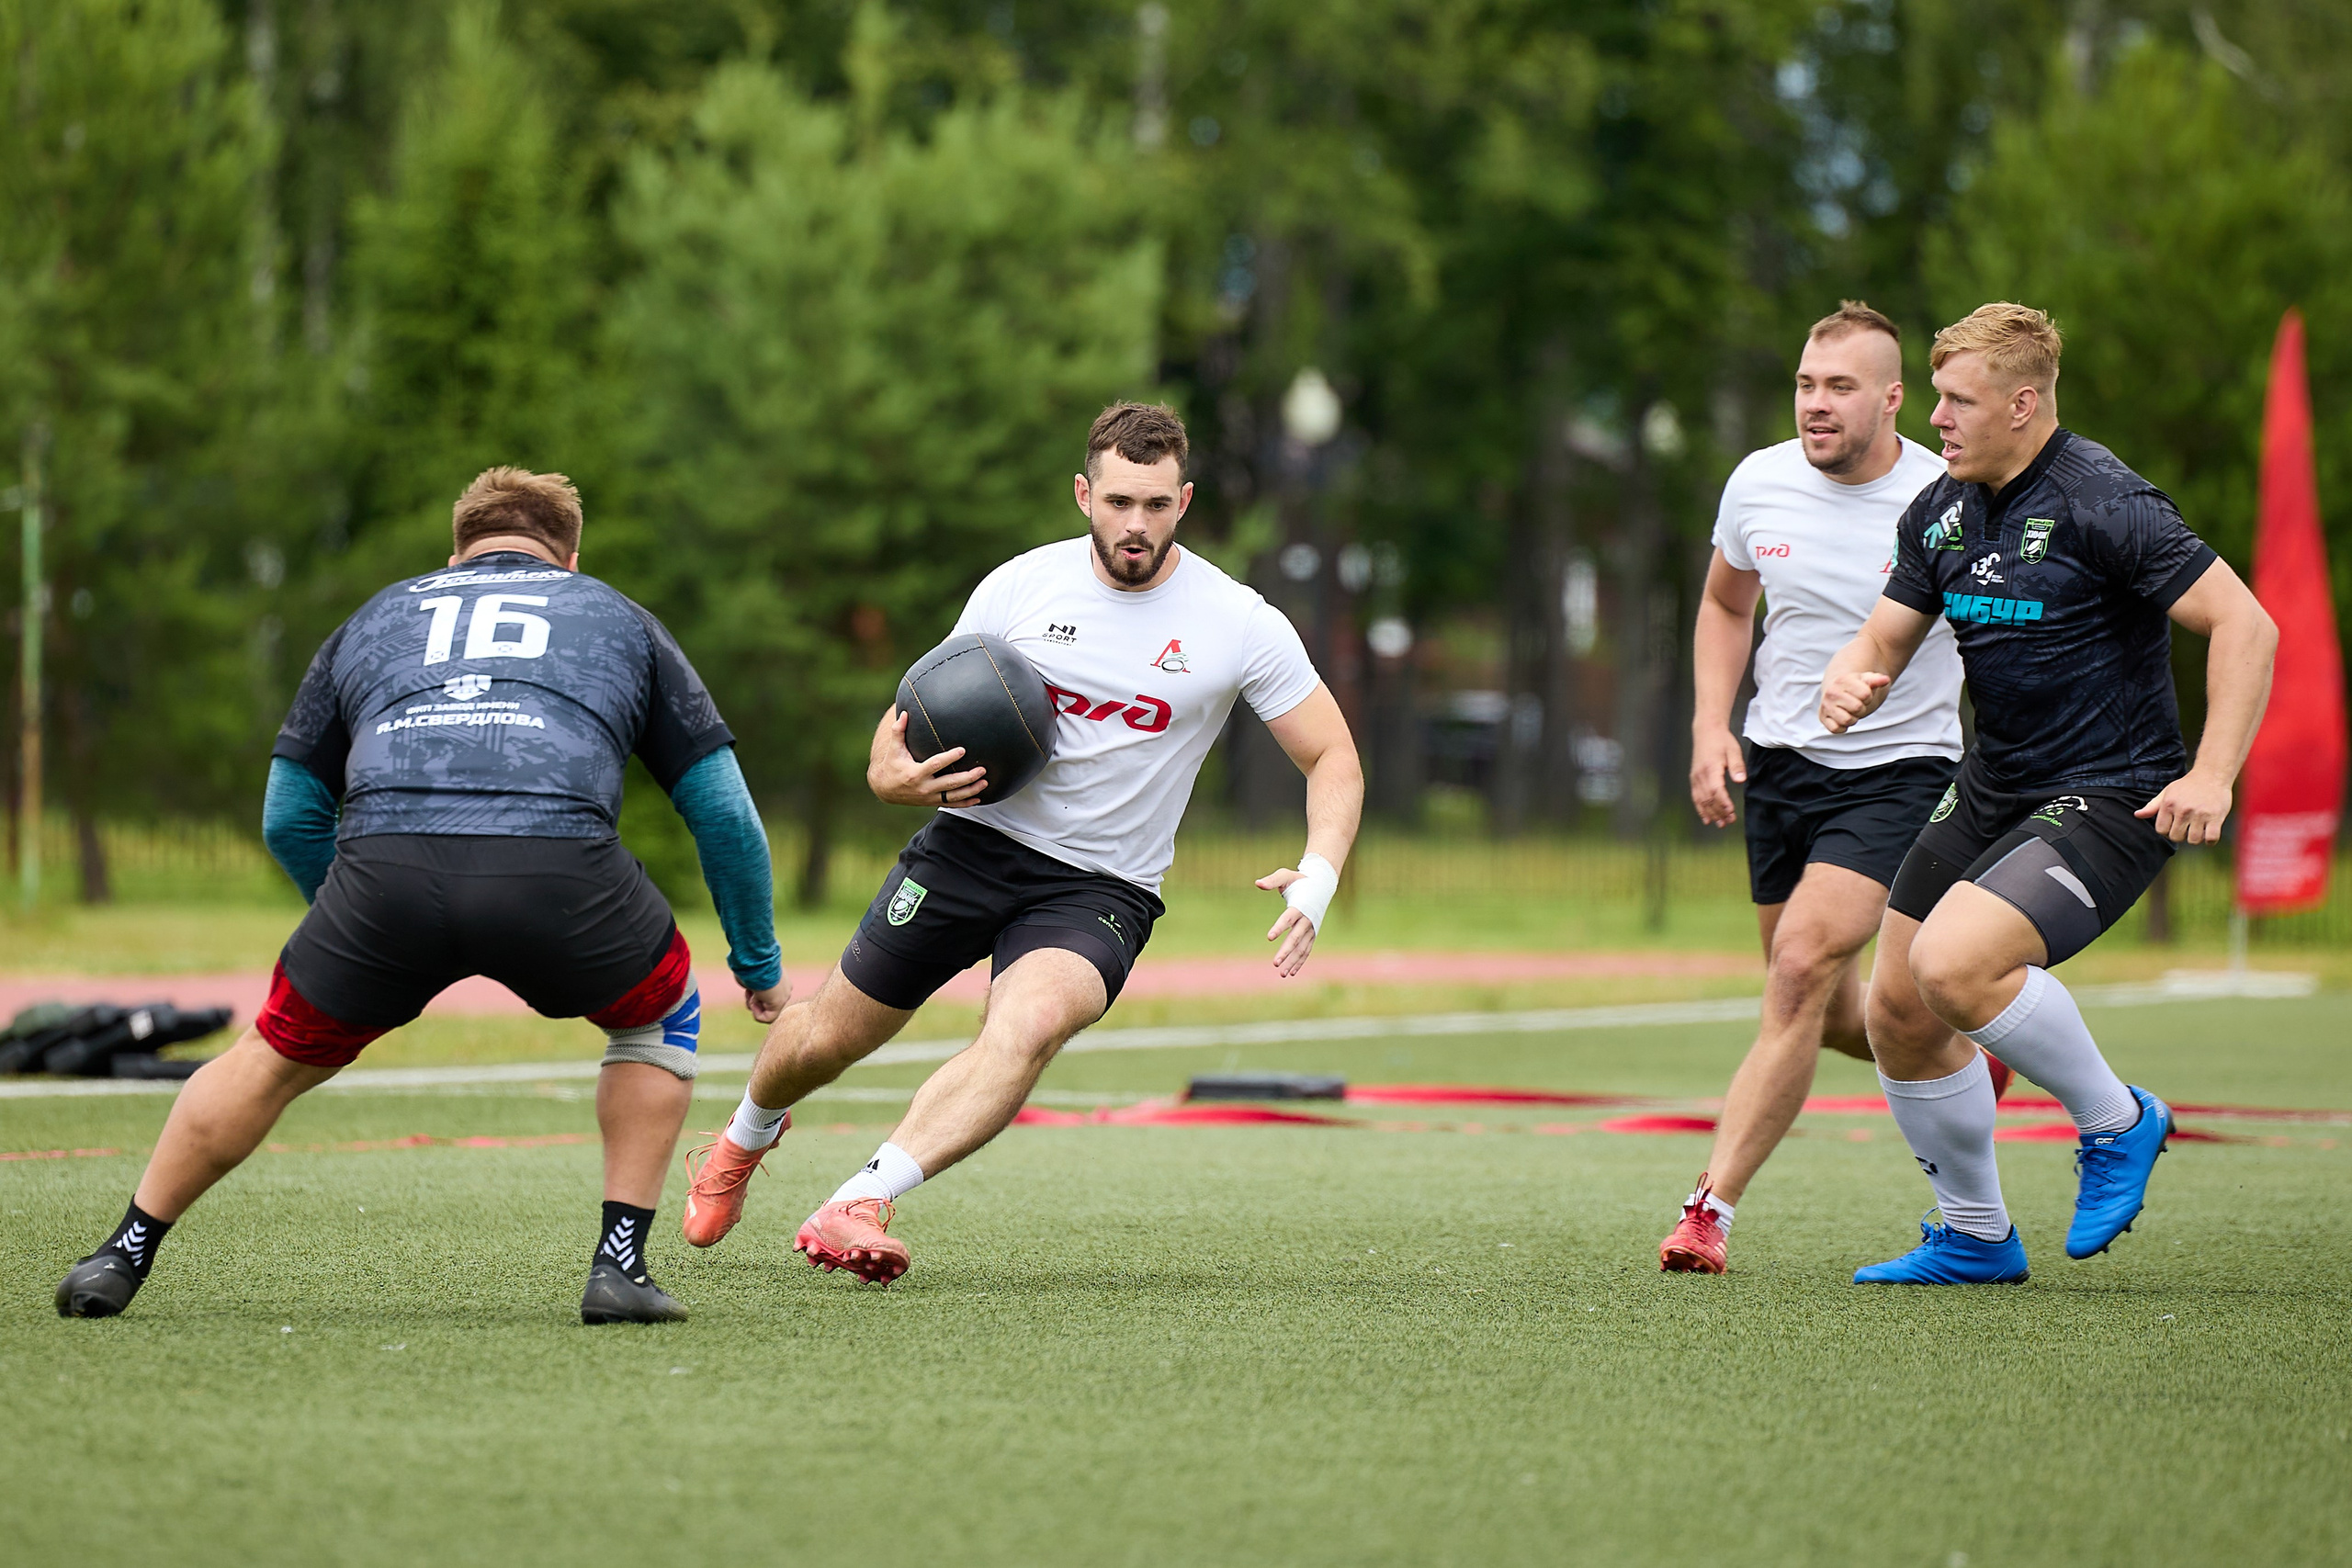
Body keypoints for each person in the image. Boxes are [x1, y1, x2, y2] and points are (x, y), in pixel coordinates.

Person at [54, 468, 788, 1324]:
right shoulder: (619, 617)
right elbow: (724, 814)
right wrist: (758, 963)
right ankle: (617, 1266)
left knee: (270, 1054)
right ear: (570, 557)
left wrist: (352, 920)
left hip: (382, 878)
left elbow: (289, 811)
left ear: (455, 552)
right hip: (558, 875)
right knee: (656, 1016)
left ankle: (122, 1253)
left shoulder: (375, 618)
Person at [680, 402, 1363, 1282]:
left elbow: (1332, 753)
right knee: (830, 1037)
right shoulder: (1019, 587)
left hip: (1100, 888)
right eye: (1119, 501)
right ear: (1084, 493)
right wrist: (887, 777)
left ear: (1184, 502)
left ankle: (861, 1198)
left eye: (1156, 505)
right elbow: (912, 719)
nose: (1135, 524)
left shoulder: (1238, 621)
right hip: (969, 845)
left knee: (1029, 1024)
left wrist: (1318, 873)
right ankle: (741, 1139)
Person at [1820, 303, 2278, 1284]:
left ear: (2023, 405)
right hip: (1995, 787)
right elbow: (1883, 638)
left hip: (2111, 794)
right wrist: (1849, 675)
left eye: (1955, 400)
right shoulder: (1938, 509)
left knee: (1952, 966)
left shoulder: (2105, 502)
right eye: (1935, 397)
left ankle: (2119, 1120)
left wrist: (2211, 774)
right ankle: (1974, 1236)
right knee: (1893, 1011)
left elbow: (2246, 628)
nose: (1934, 419)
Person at [1662, 300, 1979, 1274]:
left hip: (1899, 771)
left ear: (1892, 399)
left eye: (1839, 387)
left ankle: (1707, 1210)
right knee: (1836, 1009)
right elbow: (1725, 602)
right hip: (1780, 767)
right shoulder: (1757, 481)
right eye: (1805, 384)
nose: (1815, 403)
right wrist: (1710, 727)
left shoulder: (1950, 496)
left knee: (1798, 969)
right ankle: (1964, 1065)